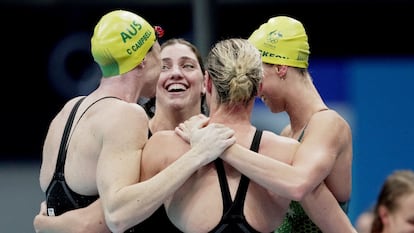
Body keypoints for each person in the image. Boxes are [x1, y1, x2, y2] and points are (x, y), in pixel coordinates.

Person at [34, 8, 235, 233]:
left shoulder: (69, 110)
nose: (164, 69)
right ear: (142, 60)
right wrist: (198, 155)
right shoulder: (127, 115)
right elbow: (117, 216)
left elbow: (60, 208)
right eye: (161, 57)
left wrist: (48, 224)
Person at [141, 38, 300, 233]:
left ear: (207, 82)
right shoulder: (286, 151)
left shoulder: (164, 146)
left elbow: (121, 216)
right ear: (259, 88)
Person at [239, 15, 354, 232]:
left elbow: (298, 184)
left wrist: (226, 148)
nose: (255, 90)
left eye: (257, 76)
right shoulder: (286, 134)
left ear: (281, 68)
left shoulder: (328, 124)